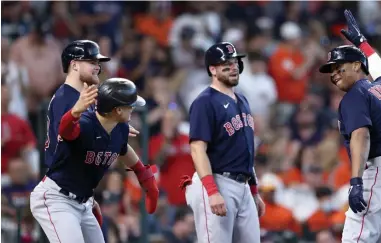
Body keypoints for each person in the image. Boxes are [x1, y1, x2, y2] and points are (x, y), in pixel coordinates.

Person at [318, 10, 381, 243]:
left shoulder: (355, 94)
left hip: (379, 172)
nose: (334, 74)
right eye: (331, 71)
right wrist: (362, 43)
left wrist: (355, 181)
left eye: (339, 67)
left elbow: (361, 135)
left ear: (356, 65)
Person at [30, 78, 159, 243]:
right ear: (118, 110)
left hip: (83, 202)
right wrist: (76, 111)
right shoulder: (85, 124)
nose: (133, 109)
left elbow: (124, 149)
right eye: (130, 106)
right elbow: (66, 130)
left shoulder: (119, 127)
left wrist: (146, 179)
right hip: (56, 198)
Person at [181, 42, 265, 243]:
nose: (233, 67)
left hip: (242, 185)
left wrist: (253, 190)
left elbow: (245, 150)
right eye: (225, 63)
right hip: (218, 181)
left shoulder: (242, 100)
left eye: (235, 62)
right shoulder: (205, 101)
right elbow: (197, 149)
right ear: (212, 69)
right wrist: (212, 191)